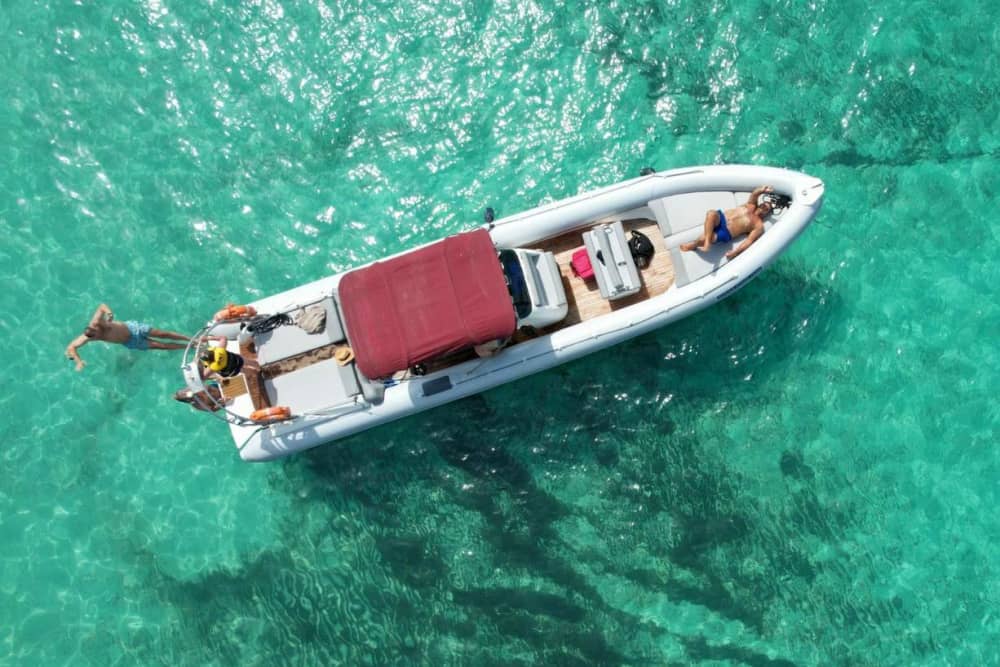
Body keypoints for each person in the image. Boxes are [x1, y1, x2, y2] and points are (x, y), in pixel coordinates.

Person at [65, 303, 189, 371]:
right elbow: (71, 347)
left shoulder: (96, 321)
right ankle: (188, 345)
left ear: (94, 328)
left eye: (96, 332)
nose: (97, 334)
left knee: (163, 334)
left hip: (133, 328)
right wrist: (78, 361)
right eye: (95, 336)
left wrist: (109, 313)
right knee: (161, 346)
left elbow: (101, 306)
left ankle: (189, 339)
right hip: (131, 342)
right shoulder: (89, 337)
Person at [681, 185, 775, 260]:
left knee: (702, 238)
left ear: (767, 214)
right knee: (711, 213)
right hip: (721, 218)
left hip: (726, 232)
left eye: (767, 208)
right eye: (764, 204)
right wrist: (763, 190)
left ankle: (694, 245)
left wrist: (735, 253)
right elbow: (755, 193)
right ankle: (707, 243)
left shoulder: (758, 225)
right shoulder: (751, 205)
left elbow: (748, 241)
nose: (764, 207)